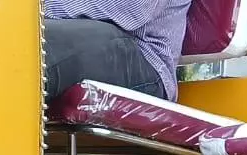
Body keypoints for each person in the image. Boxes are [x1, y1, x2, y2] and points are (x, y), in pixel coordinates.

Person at [43, 0, 193, 104]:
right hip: (92, 30)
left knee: (37, 43)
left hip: (145, 56)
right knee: (27, 35)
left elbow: (132, 8)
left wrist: (36, 7)